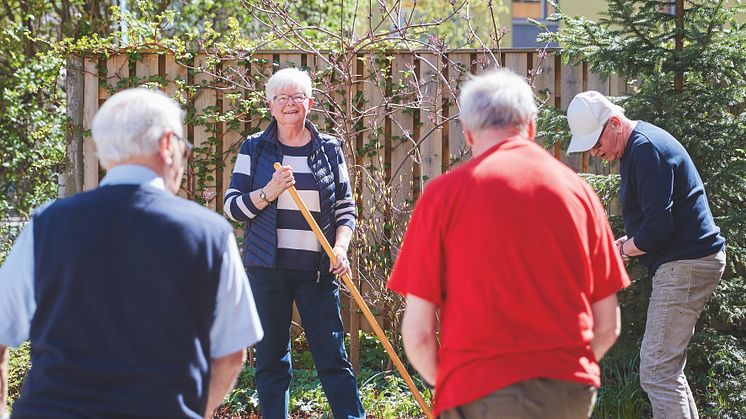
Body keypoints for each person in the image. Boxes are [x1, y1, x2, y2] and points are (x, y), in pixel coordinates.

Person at [0, 88, 263, 419]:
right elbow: (231, 354)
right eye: (185, 148)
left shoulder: (46, 225)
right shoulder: (209, 233)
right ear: (168, 144)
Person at [387, 69, 631, 418]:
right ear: (530, 126)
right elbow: (607, 325)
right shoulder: (579, 194)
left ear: (468, 133)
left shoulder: (444, 196)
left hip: (477, 389)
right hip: (568, 391)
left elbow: (418, 334)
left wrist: (452, 385)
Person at [566, 91, 726, 419]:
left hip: (687, 263)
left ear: (614, 123)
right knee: (666, 372)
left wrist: (621, 250)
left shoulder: (645, 150)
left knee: (656, 372)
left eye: (596, 145)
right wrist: (624, 244)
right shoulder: (638, 148)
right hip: (689, 260)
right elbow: (656, 223)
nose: (598, 154)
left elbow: (658, 231)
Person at [223, 67, 364, 419]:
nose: (290, 104)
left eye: (297, 97)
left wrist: (341, 248)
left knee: (332, 355)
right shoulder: (254, 148)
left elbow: (346, 207)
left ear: (310, 103)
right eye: (282, 97)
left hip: (318, 270)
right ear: (270, 105)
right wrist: (268, 192)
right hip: (266, 269)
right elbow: (232, 207)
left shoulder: (329, 149)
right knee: (271, 358)